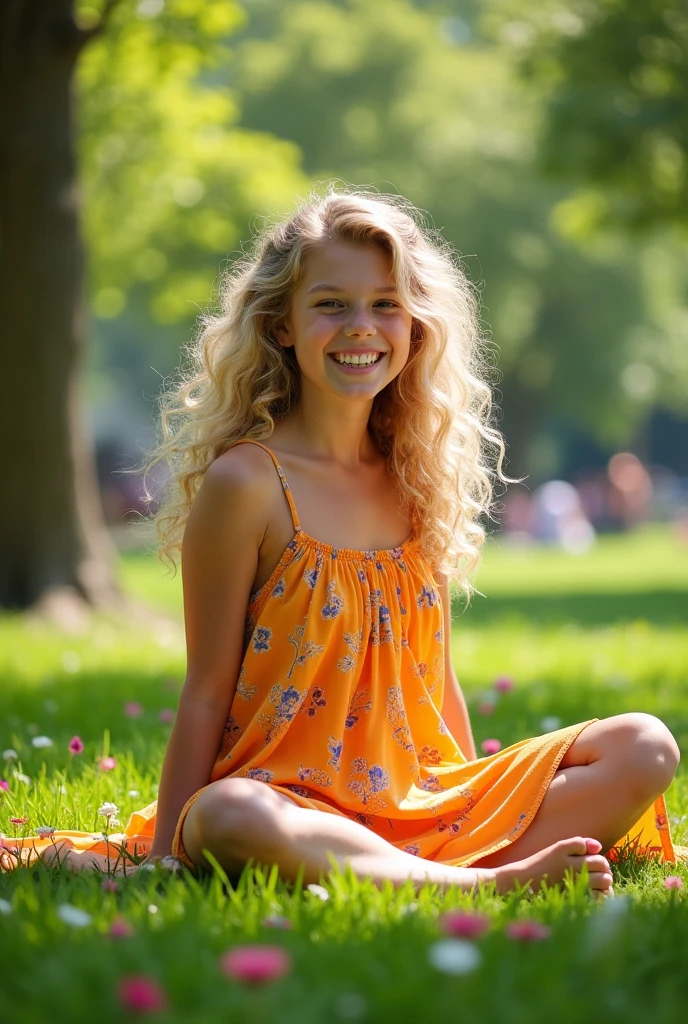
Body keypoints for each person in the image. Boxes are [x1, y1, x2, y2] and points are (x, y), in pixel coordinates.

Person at [1, 189, 683, 893]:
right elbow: (206, 691)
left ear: (415, 325)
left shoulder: (416, 475)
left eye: (386, 304)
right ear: (283, 325)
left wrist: (470, 801)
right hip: (287, 802)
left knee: (645, 745)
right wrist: (167, 855)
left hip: (417, 796)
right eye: (331, 304)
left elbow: (437, 677)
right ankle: (477, 885)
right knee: (228, 814)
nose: (362, 326)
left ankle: (441, 859)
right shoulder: (249, 483)